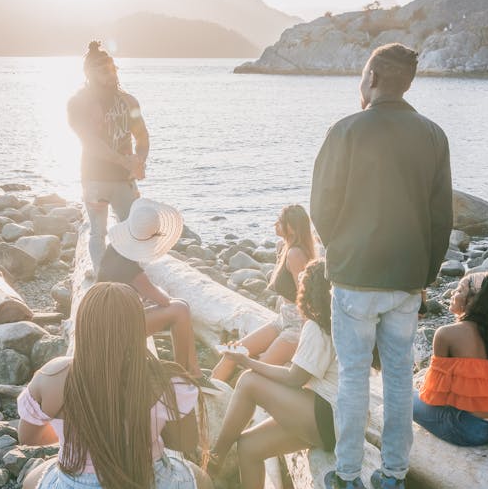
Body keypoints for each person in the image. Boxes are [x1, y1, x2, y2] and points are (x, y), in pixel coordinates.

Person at [0, 283, 245, 489]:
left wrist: (69, 428)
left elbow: (27, 437)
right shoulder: (163, 377)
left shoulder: (53, 375)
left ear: (83, 325)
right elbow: (184, 442)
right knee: (205, 488)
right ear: (138, 326)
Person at [310, 42, 453, 489]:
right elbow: (440, 218)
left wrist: (341, 250)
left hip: (354, 278)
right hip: (406, 281)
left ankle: (348, 476)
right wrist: (424, 273)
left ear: (371, 76)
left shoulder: (346, 130)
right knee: (397, 378)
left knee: (352, 376)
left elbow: (322, 207)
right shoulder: (433, 135)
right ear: (406, 83)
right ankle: (393, 478)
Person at [207, 259, 336, 489]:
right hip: (327, 419)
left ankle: (214, 457)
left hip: (327, 417)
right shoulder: (330, 323)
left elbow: (294, 378)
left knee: (249, 380)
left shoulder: (317, 328)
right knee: (250, 445)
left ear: (308, 292)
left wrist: (248, 361)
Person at [97, 198, 204, 381]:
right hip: (113, 331)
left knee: (181, 306)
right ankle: (186, 371)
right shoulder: (132, 270)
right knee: (180, 309)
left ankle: (192, 369)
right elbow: (164, 300)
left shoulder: (113, 249)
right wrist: (153, 294)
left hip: (103, 321)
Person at [67, 41, 150, 272]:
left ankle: (131, 279)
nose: (110, 74)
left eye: (113, 69)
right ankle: (101, 281)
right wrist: (125, 161)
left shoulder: (129, 101)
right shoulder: (77, 103)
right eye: (104, 71)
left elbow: (142, 137)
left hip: (124, 179)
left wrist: (140, 161)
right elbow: (91, 143)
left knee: (131, 230)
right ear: (89, 73)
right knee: (98, 232)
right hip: (94, 179)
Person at [211, 205, 316, 385]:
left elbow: (305, 298)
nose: (275, 224)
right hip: (283, 319)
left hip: (296, 328)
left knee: (253, 375)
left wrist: (308, 339)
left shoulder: (295, 253)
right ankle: (203, 397)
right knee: (232, 355)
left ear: (290, 227)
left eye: (280, 221)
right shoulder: (286, 248)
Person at [413, 272, 488, 445]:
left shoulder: (446, 334)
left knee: (403, 397)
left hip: (467, 429)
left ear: (474, 300)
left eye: (459, 290)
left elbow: (435, 396)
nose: (453, 293)